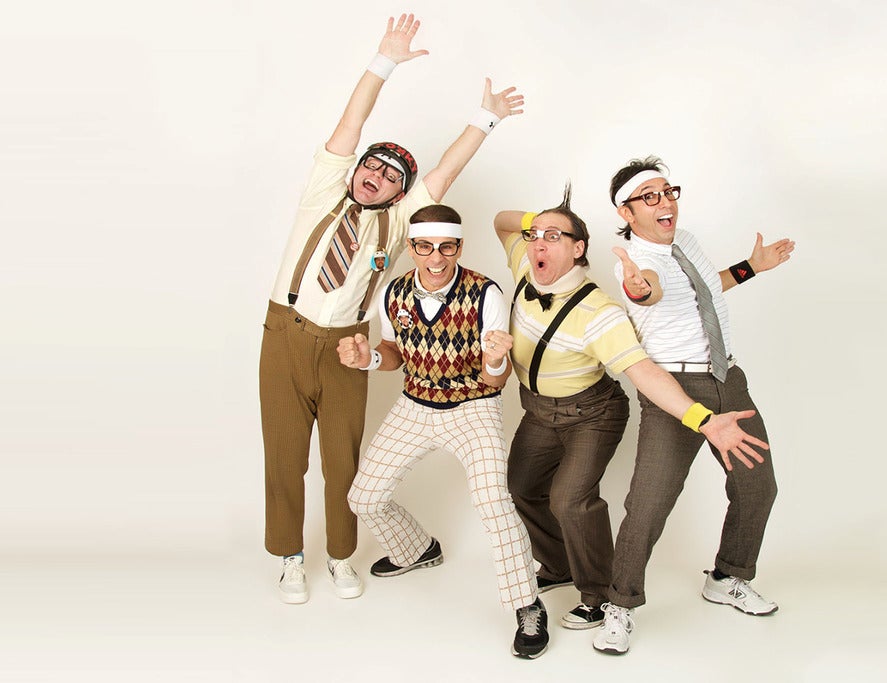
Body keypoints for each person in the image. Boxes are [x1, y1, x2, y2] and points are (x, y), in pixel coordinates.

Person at [259, 13, 525, 605]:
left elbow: (446, 172)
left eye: (390, 176)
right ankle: (290, 557)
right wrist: (383, 61)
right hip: (285, 333)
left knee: (342, 458)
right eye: (370, 166)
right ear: (354, 171)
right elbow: (350, 124)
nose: (375, 176)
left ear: (401, 192)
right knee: (284, 453)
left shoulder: (402, 223)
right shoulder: (322, 192)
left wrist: (486, 118)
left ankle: (339, 556)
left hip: (347, 343)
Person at [492, 187, 769, 636]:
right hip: (538, 410)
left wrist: (702, 419)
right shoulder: (526, 261)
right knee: (521, 488)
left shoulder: (601, 312)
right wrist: (540, 222)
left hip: (591, 412)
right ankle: (560, 565)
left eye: (554, 237)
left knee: (569, 500)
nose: (538, 243)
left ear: (578, 249)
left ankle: (598, 596)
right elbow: (502, 221)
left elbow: (643, 370)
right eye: (535, 235)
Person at [593, 157, 794, 655]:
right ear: (626, 211)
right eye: (650, 196)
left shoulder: (686, 241)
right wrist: (639, 288)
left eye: (668, 192)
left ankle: (727, 577)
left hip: (728, 378)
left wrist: (752, 267)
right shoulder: (635, 263)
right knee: (649, 504)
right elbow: (649, 290)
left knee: (758, 487)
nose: (665, 202)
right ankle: (619, 605)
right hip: (674, 389)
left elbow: (702, 288)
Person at [339, 206, 549, 659]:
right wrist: (367, 359)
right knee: (364, 498)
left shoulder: (485, 293)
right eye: (425, 247)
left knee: (493, 502)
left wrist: (496, 359)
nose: (436, 258)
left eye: (446, 247)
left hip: (473, 406)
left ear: (459, 247)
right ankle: (417, 549)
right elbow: (393, 351)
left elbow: (496, 380)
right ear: (411, 247)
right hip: (415, 405)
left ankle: (527, 604)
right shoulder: (393, 291)